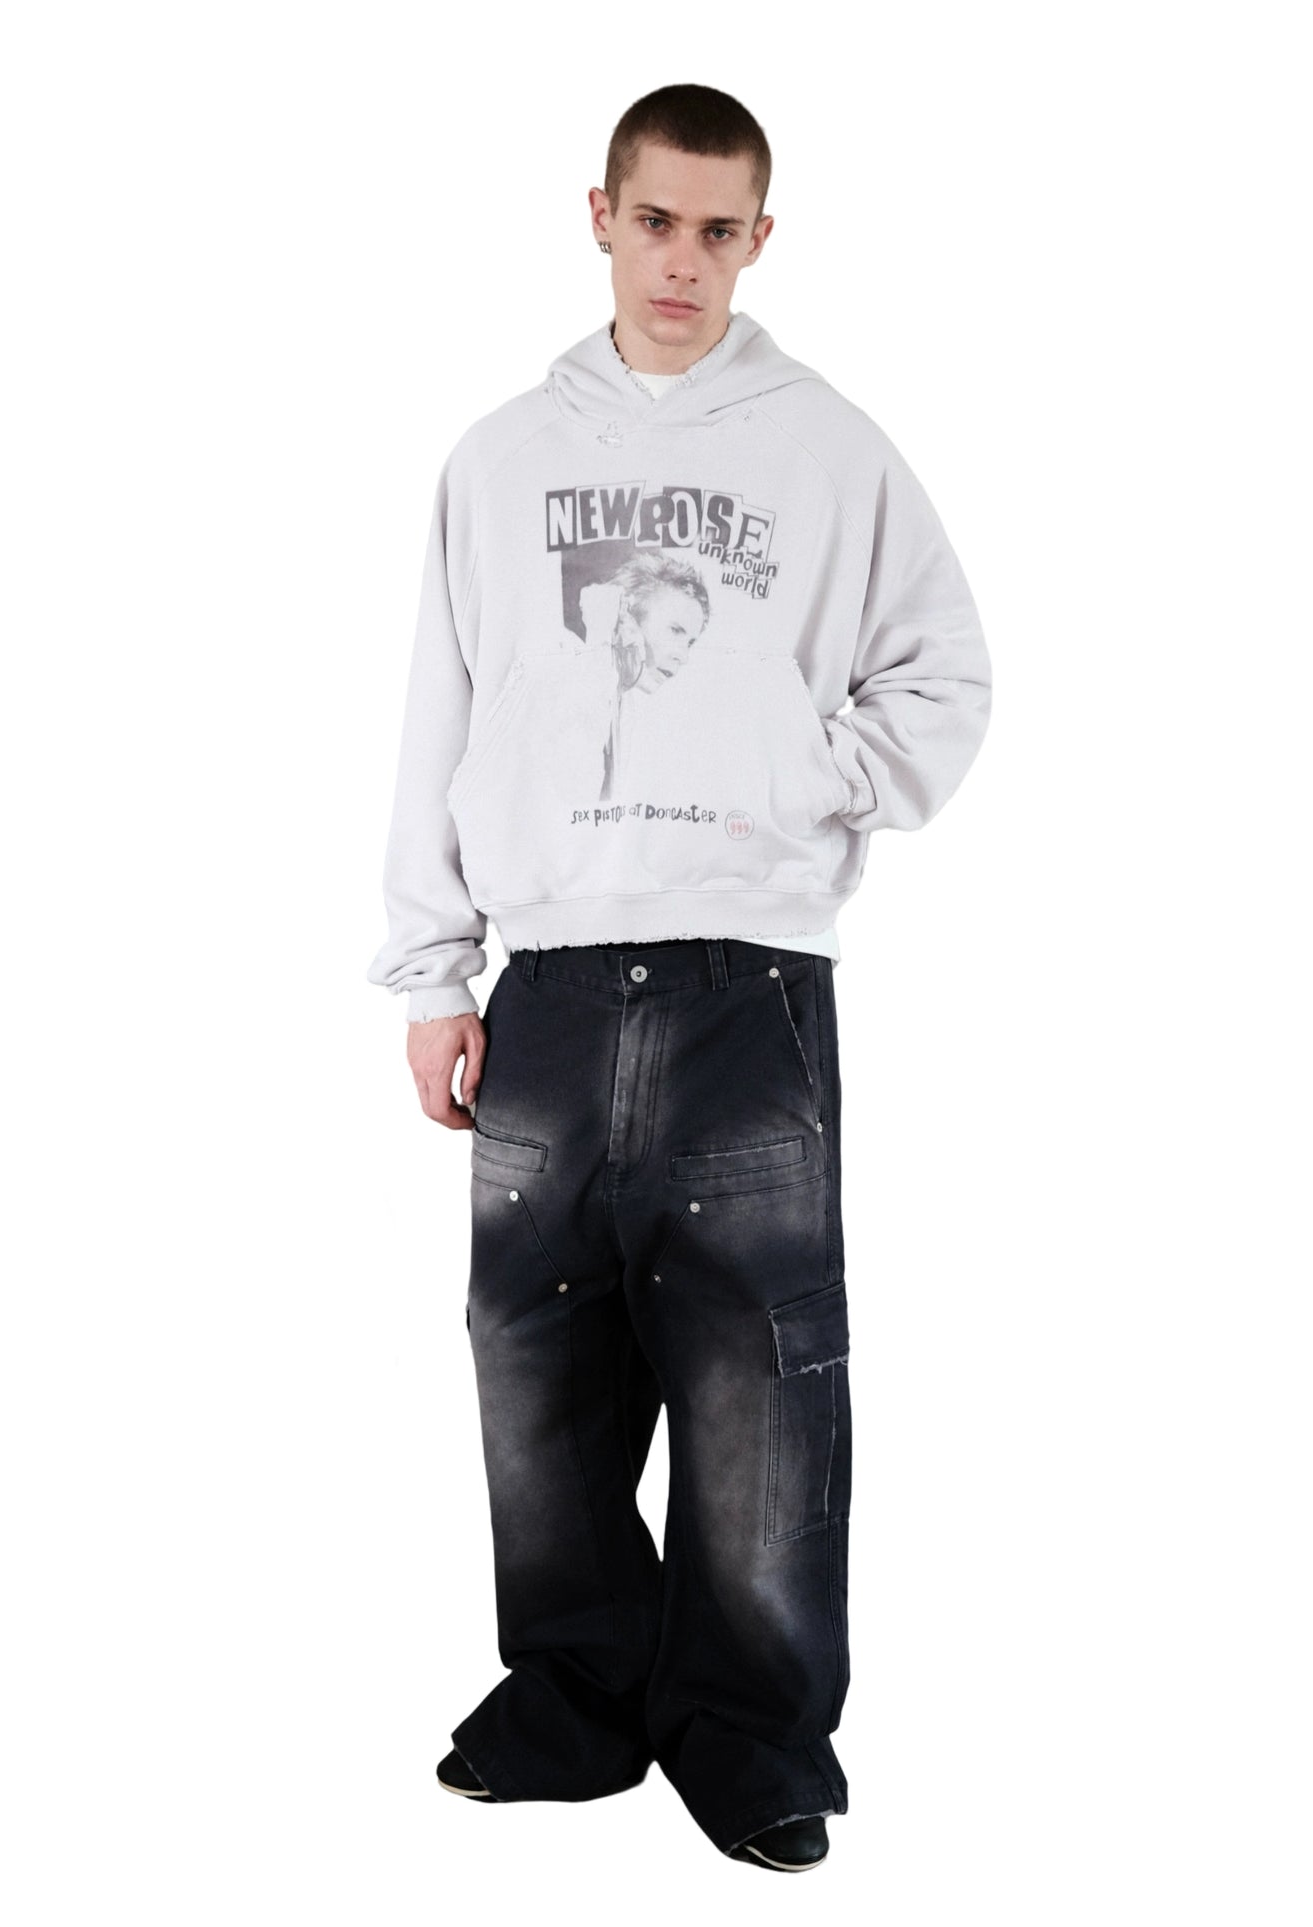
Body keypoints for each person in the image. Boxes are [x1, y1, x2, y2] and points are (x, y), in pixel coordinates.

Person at [367, 83, 992, 1872]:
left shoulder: (830, 451)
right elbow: (440, 712)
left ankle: (751, 1735)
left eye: (719, 231)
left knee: (756, 1376)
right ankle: (573, 1700)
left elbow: (942, 677)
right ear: (600, 215)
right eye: (654, 221)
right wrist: (433, 971)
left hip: (744, 976)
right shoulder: (499, 460)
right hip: (551, 978)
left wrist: (801, 776)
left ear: (759, 240)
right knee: (537, 1371)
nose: (681, 262)